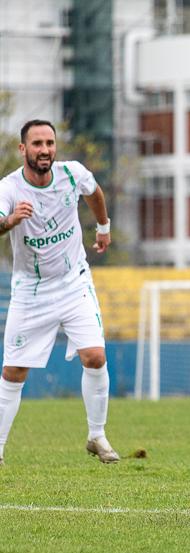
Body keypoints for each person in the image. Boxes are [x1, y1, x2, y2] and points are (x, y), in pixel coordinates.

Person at [0, 119, 117, 466]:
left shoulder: (72, 174)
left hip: (73, 281)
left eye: (50, 143)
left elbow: (94, 192)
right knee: (14, 372)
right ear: (23, 149)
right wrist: (9, 222)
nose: (45, 150)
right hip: (31, 289)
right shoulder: (9, 188)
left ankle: (96, 435)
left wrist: (103, 228)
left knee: (95, 356)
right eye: (37, 144)